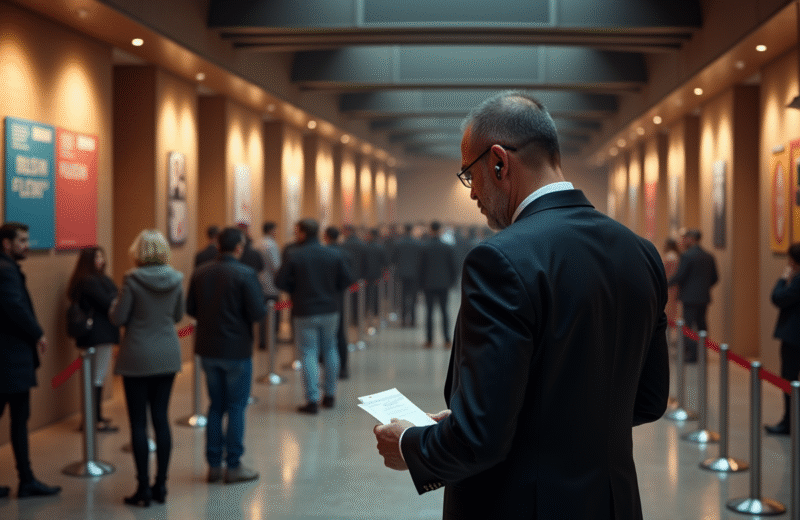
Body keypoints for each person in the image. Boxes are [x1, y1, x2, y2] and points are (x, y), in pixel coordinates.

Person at [372, 91, 669, 519]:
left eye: (468, 174)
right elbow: (649, 398)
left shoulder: (501, 259)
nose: (472, 192)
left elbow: (481, 439)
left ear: (498, 162)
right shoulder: (640, 252)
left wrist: (409, 444)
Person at [110, 229, 184, 507]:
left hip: (137, 355)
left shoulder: (132, 279)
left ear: (137, 252)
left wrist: (112, 307)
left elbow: (119, 317)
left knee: (138, 422)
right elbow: (178, 315)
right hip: (167, 353)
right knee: (161, 419)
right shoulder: (176, 279)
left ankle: (142, 489)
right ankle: (161, 486)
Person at [186, 227, 265, 484]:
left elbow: (191, 309)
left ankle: (213, 465)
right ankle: (233, 465)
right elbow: (257, 313)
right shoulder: (245, 273)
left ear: (218, 245)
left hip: (208, 349)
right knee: (236, 406)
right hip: (237, 350)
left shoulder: (200, 272)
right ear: (239, 248)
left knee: (215, 406)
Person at [0, 222, 62, 499]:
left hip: (7, 358)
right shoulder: (6, 271)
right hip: (10, 359)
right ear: (6, 243)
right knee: (19, 419)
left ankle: (26, 478)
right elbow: (14, 307)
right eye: (22, 240)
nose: (27, 245)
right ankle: (26, 480)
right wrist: (38, 333)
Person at [275, 218, 353, 414]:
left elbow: (280, 281)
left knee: (308, 352)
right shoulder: (333, 254)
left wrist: (295, 290)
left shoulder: (294, 255)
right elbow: (347, 280)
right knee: (330, 349)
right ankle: (330, 395)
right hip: (330, 309)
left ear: (302, 233)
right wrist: (331, 291)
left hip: (304, 310)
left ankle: (311, 400)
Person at [67, 246, 121, 433]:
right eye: (97, 256)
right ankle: (92, 419)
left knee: (97, 377)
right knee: (96, 377)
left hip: (99, 334)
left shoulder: (96, 279)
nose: (101, 259)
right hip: (97, 335)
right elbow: (108, 302)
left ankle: (95, 417)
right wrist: (115, 298)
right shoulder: (89, 281)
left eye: (102, 255)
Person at [668, 228, 719, 362]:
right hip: (703, 297)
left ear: (692, 239)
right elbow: (715, 278)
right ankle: (701, 354)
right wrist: (703, 288)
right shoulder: (709, 256)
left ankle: (692, 355)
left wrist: (667, 283)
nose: (684, 241)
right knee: (702, 326)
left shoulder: (687, 256)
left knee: (689, 327)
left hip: (689, 298)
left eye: (686, 238)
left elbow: (680, 275)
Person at [766, 243, 800, 435]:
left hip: (794, 338)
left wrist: (783, 278)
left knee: (789, 379)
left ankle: (789, 423)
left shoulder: (797, 280)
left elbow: (778, 298)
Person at [419, 220, 457, 348]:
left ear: (430, 230)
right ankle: (447, 340)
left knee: (429, 312)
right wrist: (451, 282)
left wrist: (421, 283)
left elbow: (421, 267)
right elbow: (453, 267)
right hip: (443, 284)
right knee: (444, 311)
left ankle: (429, 340)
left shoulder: (424, 247)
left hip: (428, 284)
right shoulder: (447, 247)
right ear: (440, 230)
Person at [323, 226, 354, 379]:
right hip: (338, 297)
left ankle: (326, 368)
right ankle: (343, 367)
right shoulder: (345, 253)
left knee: (324, 337)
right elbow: (349, 277)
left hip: (323, 297)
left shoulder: (323, 253)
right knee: (340, 333)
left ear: (326, 237)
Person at [391, 223, 422, 328]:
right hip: (415, 274)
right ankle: (413, 320)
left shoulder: (398, 243)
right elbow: (420, 260)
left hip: (402, 274)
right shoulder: (417, 244)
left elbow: (393, 259)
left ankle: (404, 320)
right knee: (413, 298)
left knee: (403, 297)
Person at [257, 221, 281, 350]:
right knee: (272, 315)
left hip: (259, 282)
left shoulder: (257, 243)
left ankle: (262, 340)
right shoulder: (271, 245)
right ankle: (270, 340)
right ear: (271, 230)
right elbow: (276, 266)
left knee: (262, 315)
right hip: (270, 284)